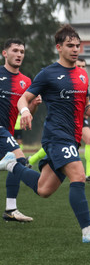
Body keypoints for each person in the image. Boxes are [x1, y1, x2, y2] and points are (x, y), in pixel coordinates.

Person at [0, 25, 90, 243]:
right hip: (56, 136)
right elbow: (24, 98)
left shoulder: (82, 75)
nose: (75, 50)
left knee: (44, 189)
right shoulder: (48, 73)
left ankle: (11, 165)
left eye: (78, 46)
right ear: (58, 47)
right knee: (79, 176)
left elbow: (85, 103)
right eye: (70, 46)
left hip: (72, 138)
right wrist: (24, 111)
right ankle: (88, 231)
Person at [26, 58, 90, 183]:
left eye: (84, 66)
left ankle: (29, 161)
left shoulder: (83, 78)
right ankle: (89, 174)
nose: (82, 68)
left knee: (44, 190)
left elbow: (86, 103)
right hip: (63, 125)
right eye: (79, 65)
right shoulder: (54, 75)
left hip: (77, 122)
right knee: (88, 142)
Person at [0, 38, 42, 222]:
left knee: (13, 165)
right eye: (15, 50)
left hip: (7, 130)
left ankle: (10, 210)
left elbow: (26, 113)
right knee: (19, 159)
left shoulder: (26, 81)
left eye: (22, 52)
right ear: (4, 53)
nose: (19, 54)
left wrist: (33, 105)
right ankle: (13, 207)